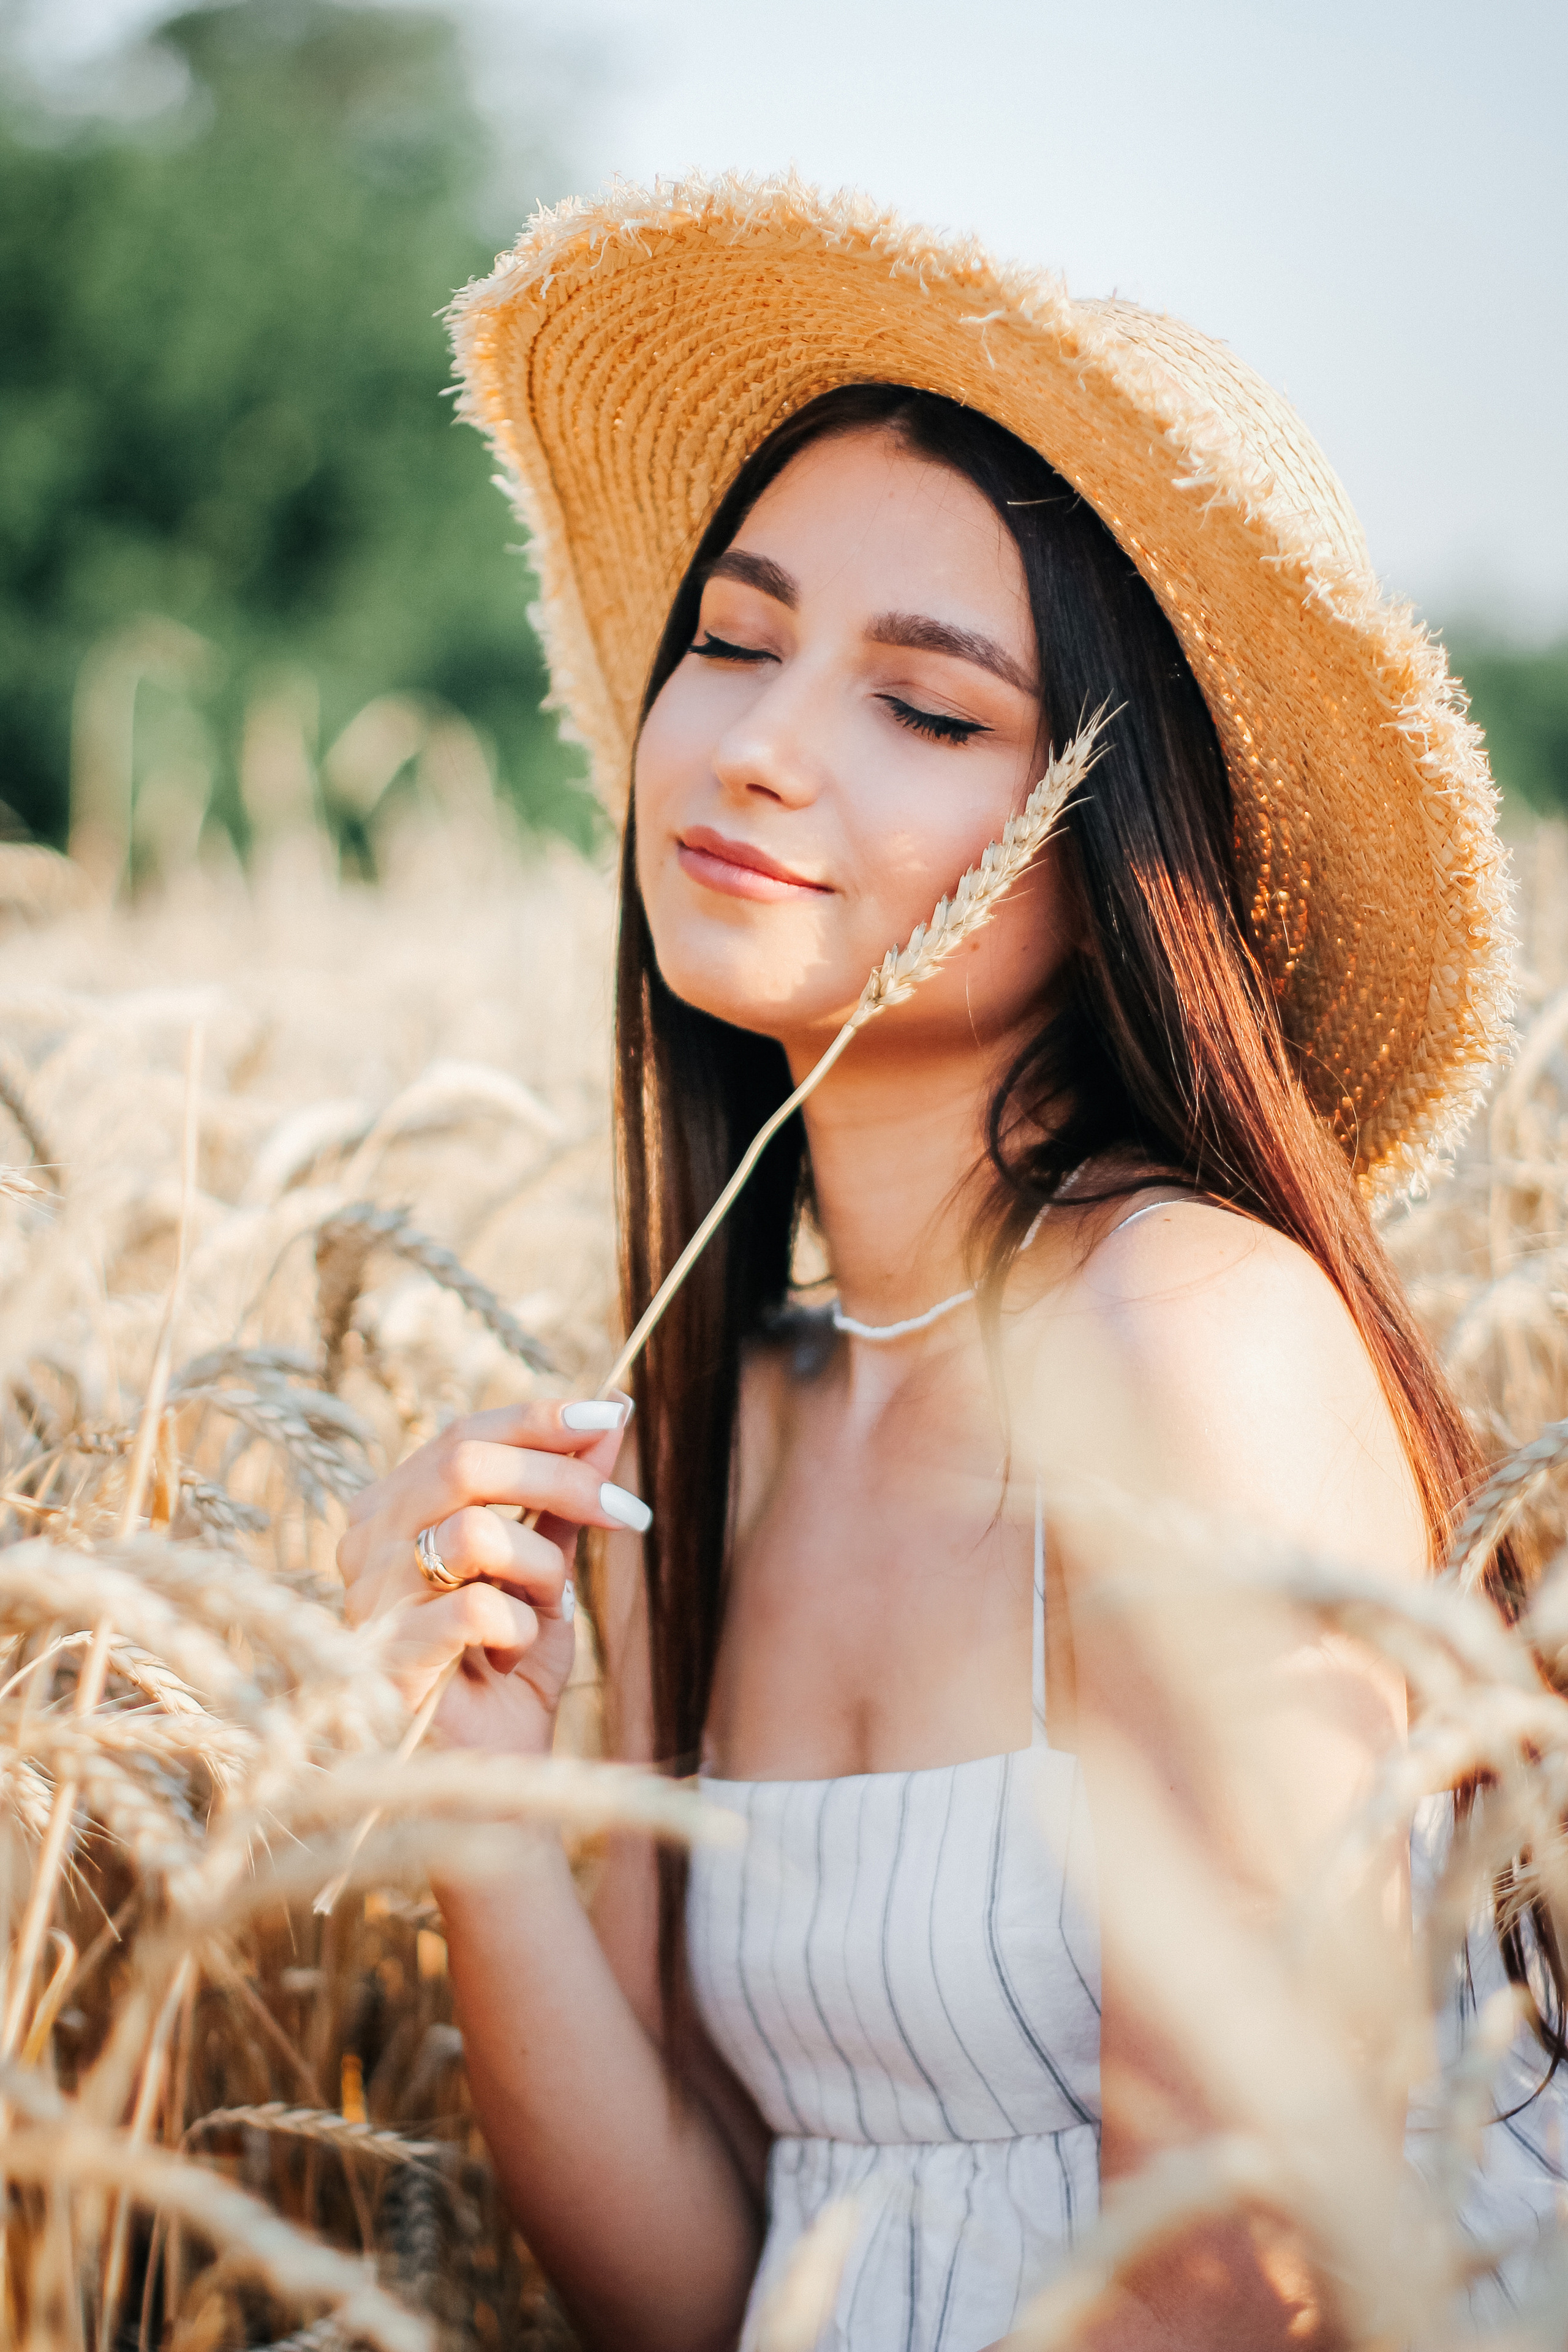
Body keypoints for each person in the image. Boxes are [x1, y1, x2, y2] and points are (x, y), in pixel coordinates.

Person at [339, 181, 1531, 2350]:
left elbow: (1243, 2287)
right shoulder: (730, 1417)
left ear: (1123, 853)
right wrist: (482, 1808)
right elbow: (713, 2283)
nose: (759, 743)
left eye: (931, 708)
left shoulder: (1187, 1342)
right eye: (733, 635)